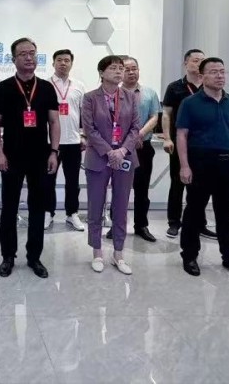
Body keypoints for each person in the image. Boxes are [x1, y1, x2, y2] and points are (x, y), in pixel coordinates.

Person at [0, 37, 60, 279]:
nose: (29, 57)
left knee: (37, 208)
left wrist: (54, 151)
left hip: (40, 156)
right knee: (9, 208)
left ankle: (34, 257)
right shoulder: (4, 88)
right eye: (23, 54)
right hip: (11, 156)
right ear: (13, 59)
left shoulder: (47, 88)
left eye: (32, 53)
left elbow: (54, 121)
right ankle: (8, 256)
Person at [177, 57, 229, 279]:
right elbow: (182, 135)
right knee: (194, 211)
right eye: (214, 72)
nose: (220, 76)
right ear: (202, 76)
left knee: (226, 214)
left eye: (222, 71)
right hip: (200, 163)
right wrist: (184, 166)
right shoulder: (190, 103)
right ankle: (190, 256)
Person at [81, 55, 140, 275]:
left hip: (124, 158)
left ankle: (118, 253)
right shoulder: (90, 98)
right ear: (101, 72)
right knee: (96, 205)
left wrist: (122, 151)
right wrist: (109, 151)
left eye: (120, 68)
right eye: (113, 68)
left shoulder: (130, 96)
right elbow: (89, 129)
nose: (119, 72)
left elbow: (135, 127)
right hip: (98, 157)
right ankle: (97, 252)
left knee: (121, 206)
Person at [161, 49, 216, 240]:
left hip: (203, 145)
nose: (199, 63)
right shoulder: (175, 87)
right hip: (180, 143)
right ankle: (174, 222)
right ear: (186, 63)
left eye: (202, 60)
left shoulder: (210, 86)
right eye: (195, 60)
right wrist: (167, 138)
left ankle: (199, 223)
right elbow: (166, 114)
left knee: (201, 186)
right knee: (177, 183)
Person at [116, 56, 161, 242]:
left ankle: (141, 225)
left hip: (143, 147)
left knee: (142, 189)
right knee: (119, 189)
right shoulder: (113, 93)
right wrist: (129, 140)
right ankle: (116, 226)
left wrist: (139, 135)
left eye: (134, 68)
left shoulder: (150, 93)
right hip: (120, 149)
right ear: (120, 72)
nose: (131, 72)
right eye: (127, 69)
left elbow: (154, 117)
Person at [43, 49, 87, 231]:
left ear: (71, 63)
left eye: (67, 60)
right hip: (49, 142)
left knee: (72, 181)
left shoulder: (79, 86)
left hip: (73, 141)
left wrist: (84, 135)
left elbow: (84, 114)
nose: (63, 63)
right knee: (48, 180)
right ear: (53, 63)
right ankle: (48, 212)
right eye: (59, 60)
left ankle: (72, 213)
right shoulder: (45, 84)